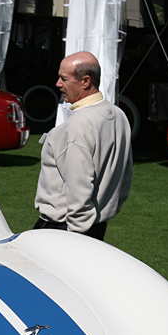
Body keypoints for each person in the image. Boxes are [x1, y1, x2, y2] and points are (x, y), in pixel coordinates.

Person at [34, 51, 133, 240]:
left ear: (85, 81)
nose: (58, 84)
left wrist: (76, 237)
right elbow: (126, 177)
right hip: (95, 226)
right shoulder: (118, 115)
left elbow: (79, 187)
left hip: (65, 230)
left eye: (64, 78)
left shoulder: (77, 126)